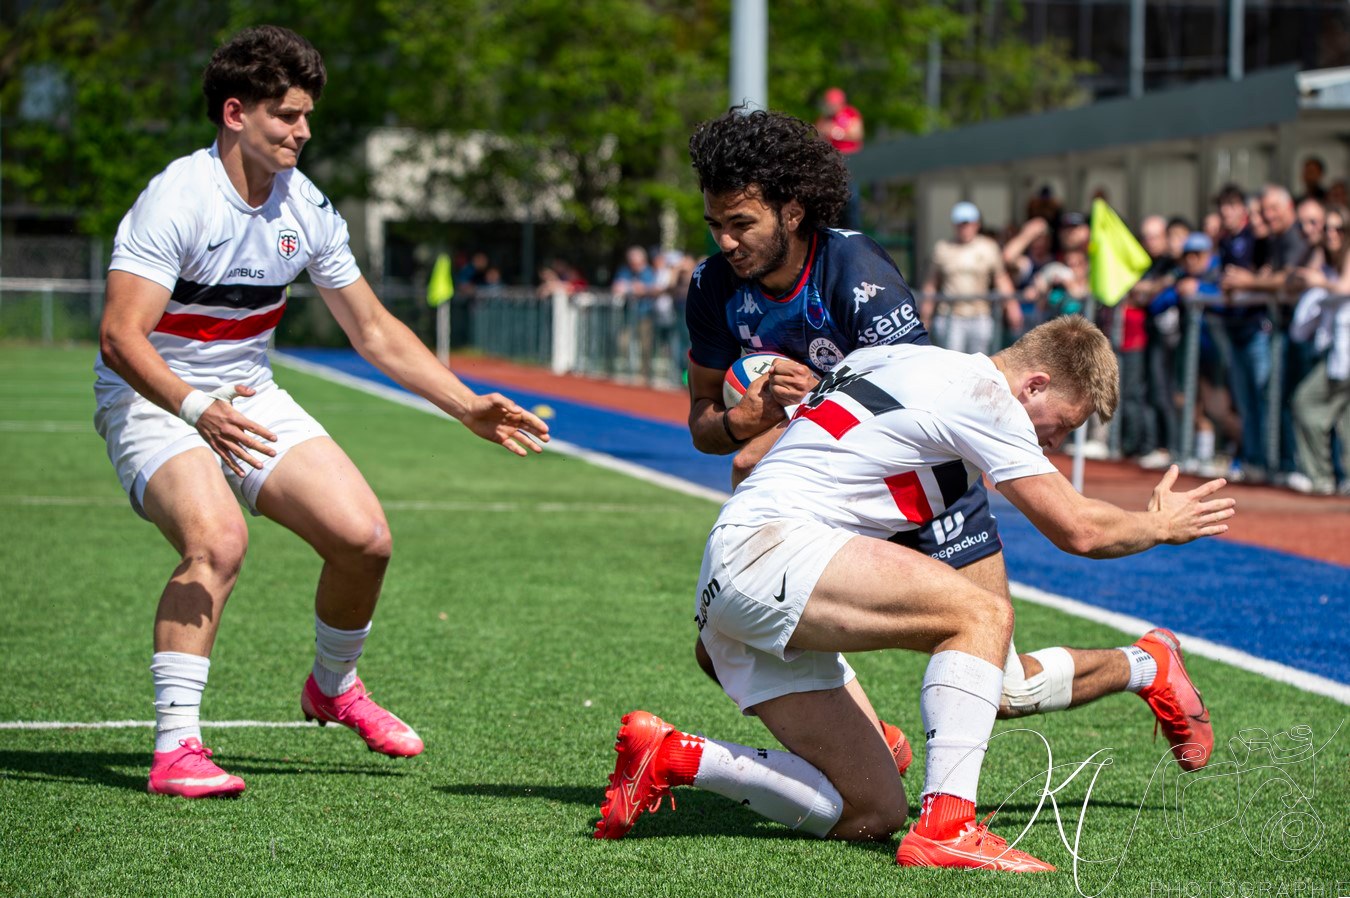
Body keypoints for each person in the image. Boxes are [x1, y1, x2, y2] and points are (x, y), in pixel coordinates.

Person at [680, 107, 1212, 778]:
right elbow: (703, 426)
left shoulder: (852, 268)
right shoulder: (711, 288)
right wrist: (744, 419)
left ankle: (1147, 664)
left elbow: (913, 395)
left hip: (926, 483)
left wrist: (787, 427)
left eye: (741, 224)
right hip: (824, 488)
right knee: (728, 643)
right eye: (716, 226)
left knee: (1003, 685)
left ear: (790, 211)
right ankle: (877, 751)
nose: (726, 243)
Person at [595, 317, 1233, 873]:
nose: (1053, 445)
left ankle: (678, 756)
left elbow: (752, 461)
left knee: (872, 810)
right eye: (1059, 427)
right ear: (1034, 384)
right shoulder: (986, 394)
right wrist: (1159, 525)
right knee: (982, 615)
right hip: (777, 547)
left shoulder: (888, 356)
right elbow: (1081, 530)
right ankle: (950, 825)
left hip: (733, 569)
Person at [94, 25, 550, 799]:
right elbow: (118, 337)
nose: (303, 132)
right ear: (236, 113)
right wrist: (196, 406)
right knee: (218, 540)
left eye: (307, 117)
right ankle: (176, 749)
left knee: (364, 539)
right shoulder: (178, 197)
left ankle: (333, 687)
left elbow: (372, 329)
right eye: (287, 116)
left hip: (247, 391)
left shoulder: (304, 205)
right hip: (156, 395)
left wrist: (465, 405)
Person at [1288, 203, 1350, 495]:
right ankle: (1326, 476)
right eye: (1327, 228)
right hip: (1335, 351)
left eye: (1339, 228)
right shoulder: (1325, 258)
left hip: (1344, 353)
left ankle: (1322, 475)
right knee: (1343, 417)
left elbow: (1346, 287)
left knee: (1305, 401)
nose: (1331, 234)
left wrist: (1319, 282)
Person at [919, 201, 1021, 354]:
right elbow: (931, 283)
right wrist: (925, 315)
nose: (964, 227)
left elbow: (1001, 278)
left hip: (980, 315)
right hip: (950, 316)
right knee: (953, 361)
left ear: (977, 224)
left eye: (968, 223)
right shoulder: (943, 248)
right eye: (960, 223)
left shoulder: (988, 247)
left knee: (980, 361)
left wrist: (1012, 306)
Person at [814, 88, 864, 229]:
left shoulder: (850, 114)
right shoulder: (824, 118)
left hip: (850, 161)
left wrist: (836, 132)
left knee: (851, 199)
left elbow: (856, 133)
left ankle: (854, 231)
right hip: (831, 162)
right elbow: (818, 134)